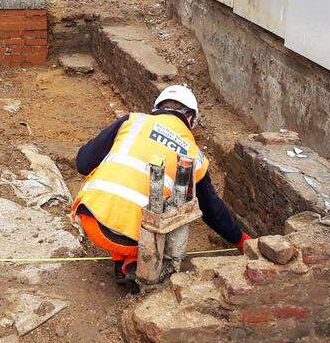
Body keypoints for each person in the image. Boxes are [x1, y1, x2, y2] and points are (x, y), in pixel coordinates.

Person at [71, 85, 253, 283]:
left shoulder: (133, 121)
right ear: (190, 118)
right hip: (137, 240)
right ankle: (136, 262)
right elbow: (211, 210)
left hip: (91, 220)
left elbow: (83, 162)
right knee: (178, 209)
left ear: (157, 108)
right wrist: (240, 240)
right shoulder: (193, 155)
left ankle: (125, 262)